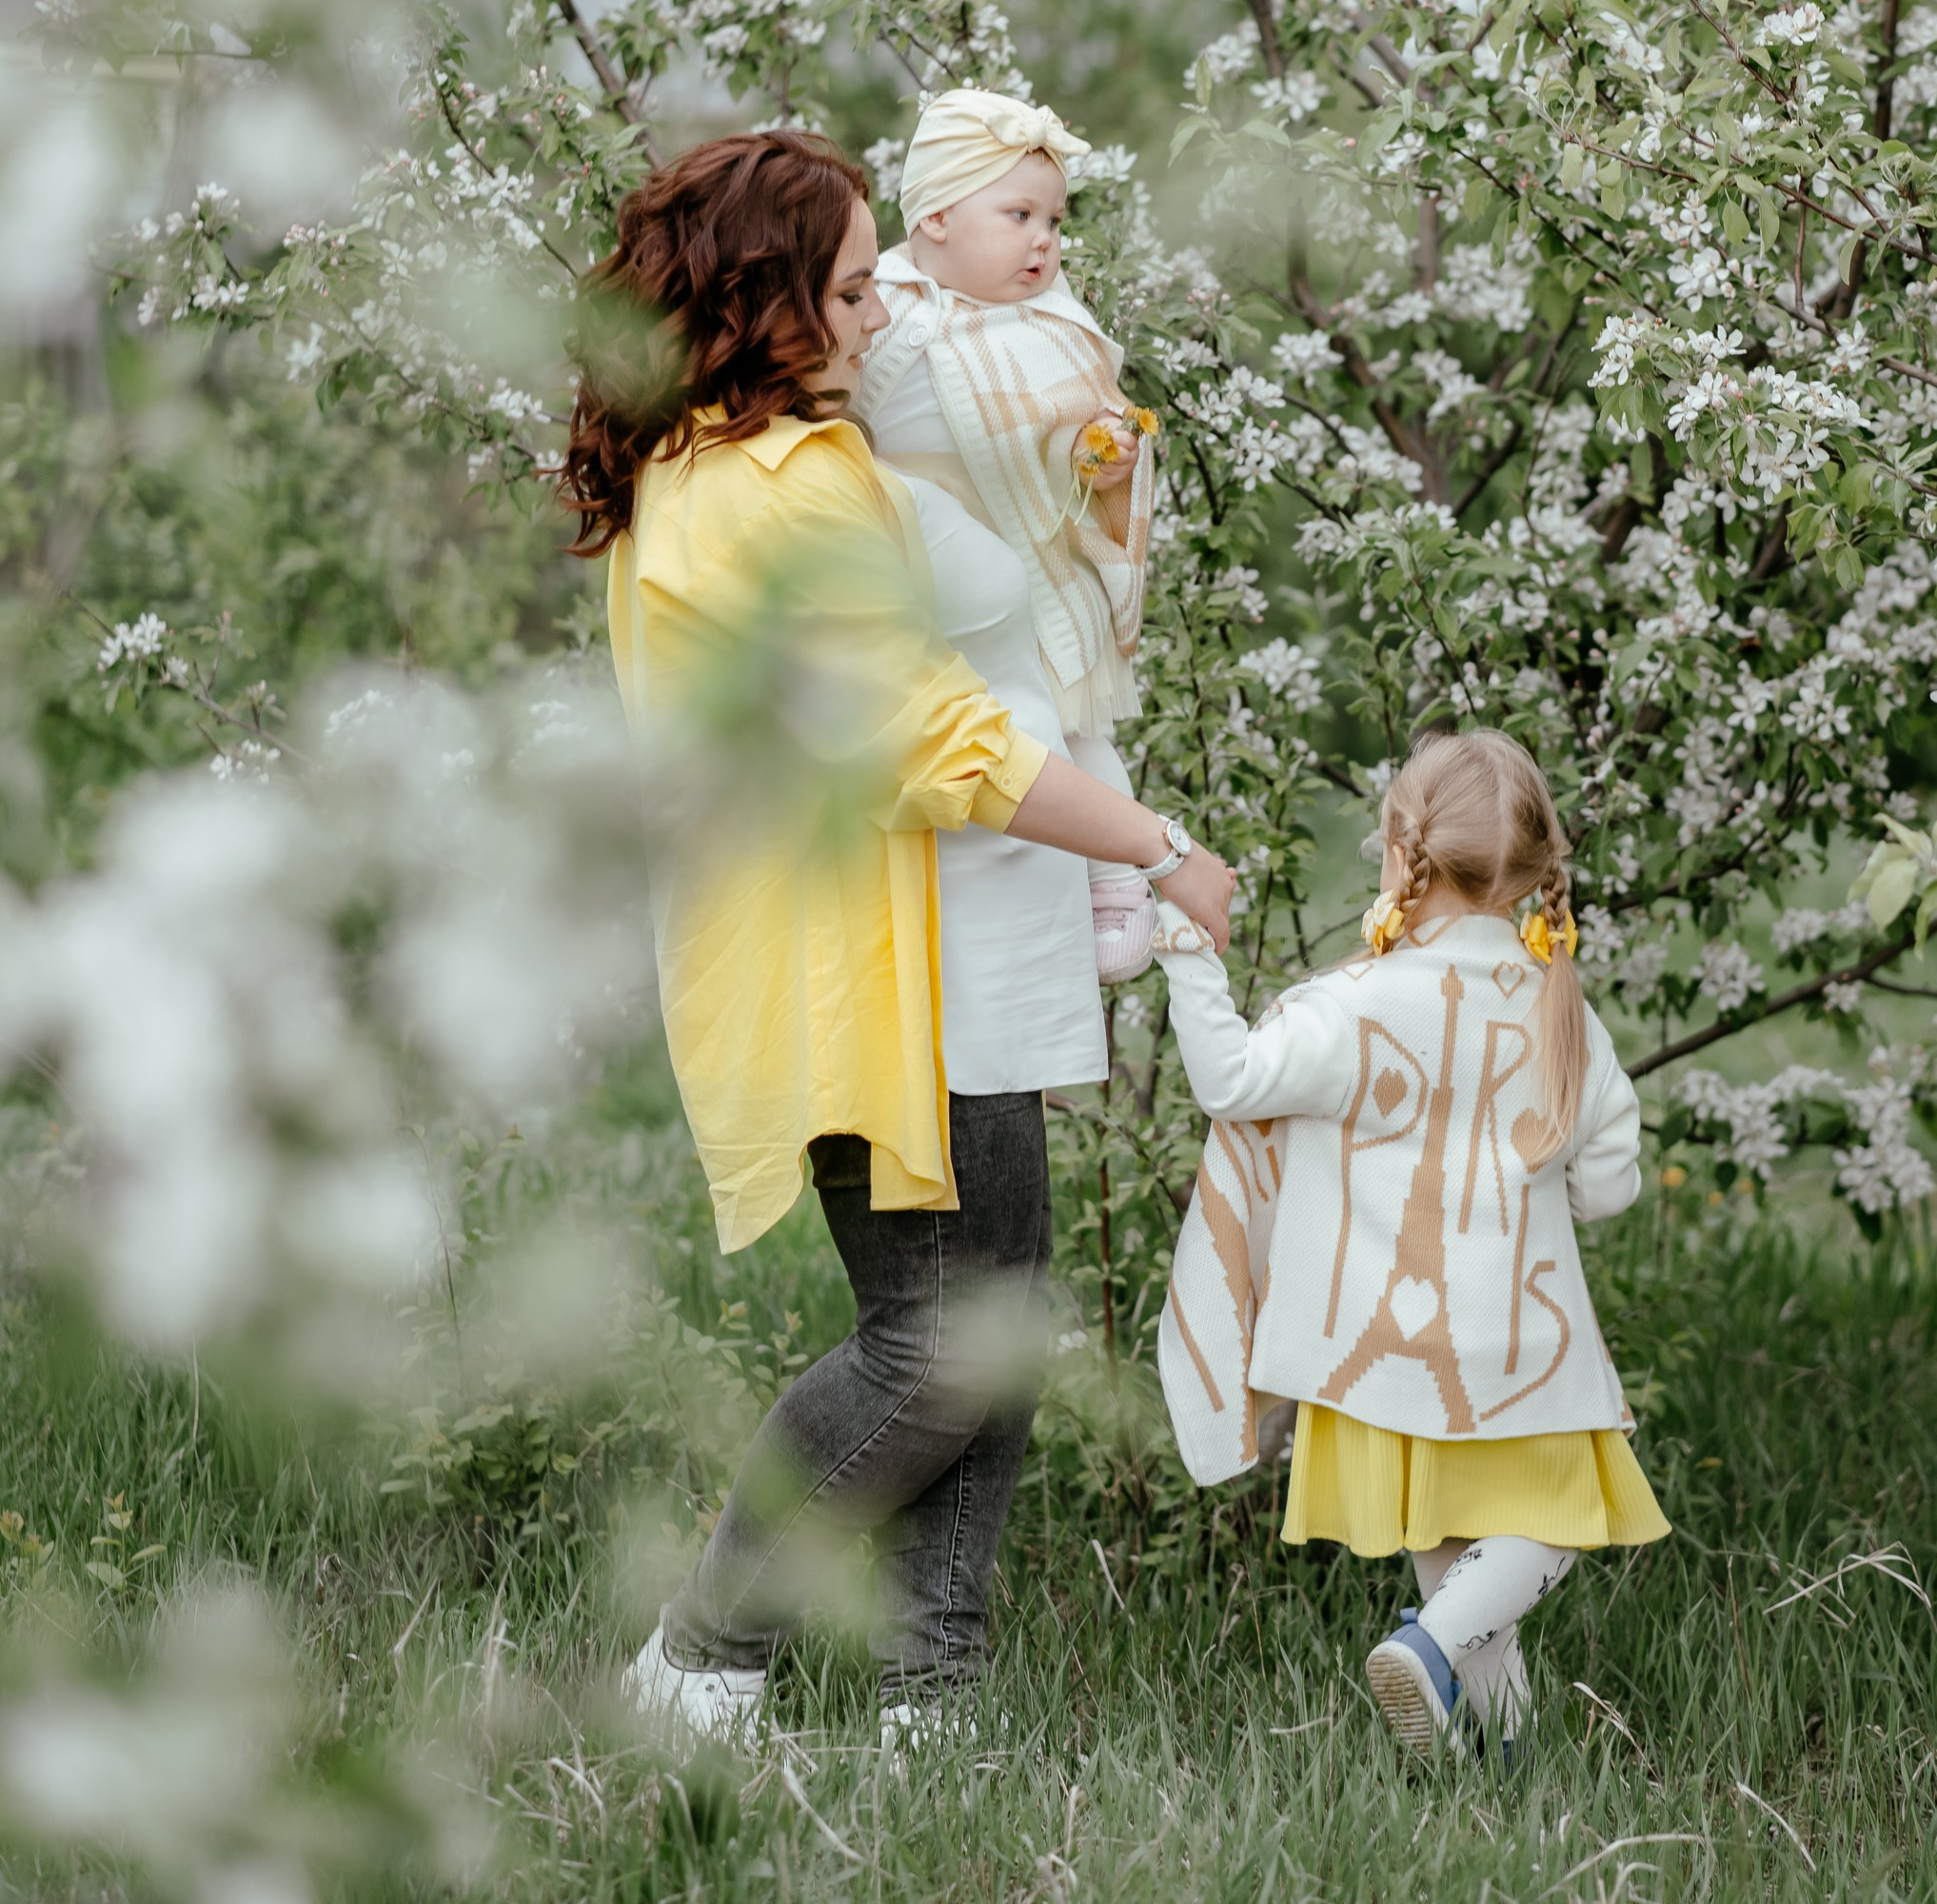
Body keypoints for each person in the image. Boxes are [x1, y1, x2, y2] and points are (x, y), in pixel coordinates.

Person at [559, 129, 1235, 1748]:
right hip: (860, 966)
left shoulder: (733, 458)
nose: (881, 313)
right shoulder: (778, 489)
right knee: (939, 1341)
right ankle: (700, 1663)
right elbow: (939, 746)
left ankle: (930, 1705)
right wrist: (1160, 846)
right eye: (857, 287)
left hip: (913, 945)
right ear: (768, 299)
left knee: (986, 1318)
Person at [1150, 728, 1669, 1757]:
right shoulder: (1562, 1012)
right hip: (1521, 1353)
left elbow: (1233, 1083)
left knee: (1466, 1582)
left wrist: (1186, 956)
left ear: (1400, 851)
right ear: (1531, 872)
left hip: (1379, 1356)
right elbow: (1610, 1188)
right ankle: (1429, 1652)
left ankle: (1498, 1761)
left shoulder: (1350, 1005)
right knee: (1559, 1528)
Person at [854, 86, 1159, 983]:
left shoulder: (1054, 324)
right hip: (915, 575)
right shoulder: (885, 312)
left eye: (1055, 220)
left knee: (1070, 730)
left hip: (1027, 561)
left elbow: (1081, 418)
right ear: (937, 216)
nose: (1044, 240)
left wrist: (1101, 459)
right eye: (1019, 214)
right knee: (958, 737)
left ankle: (1118, 885)